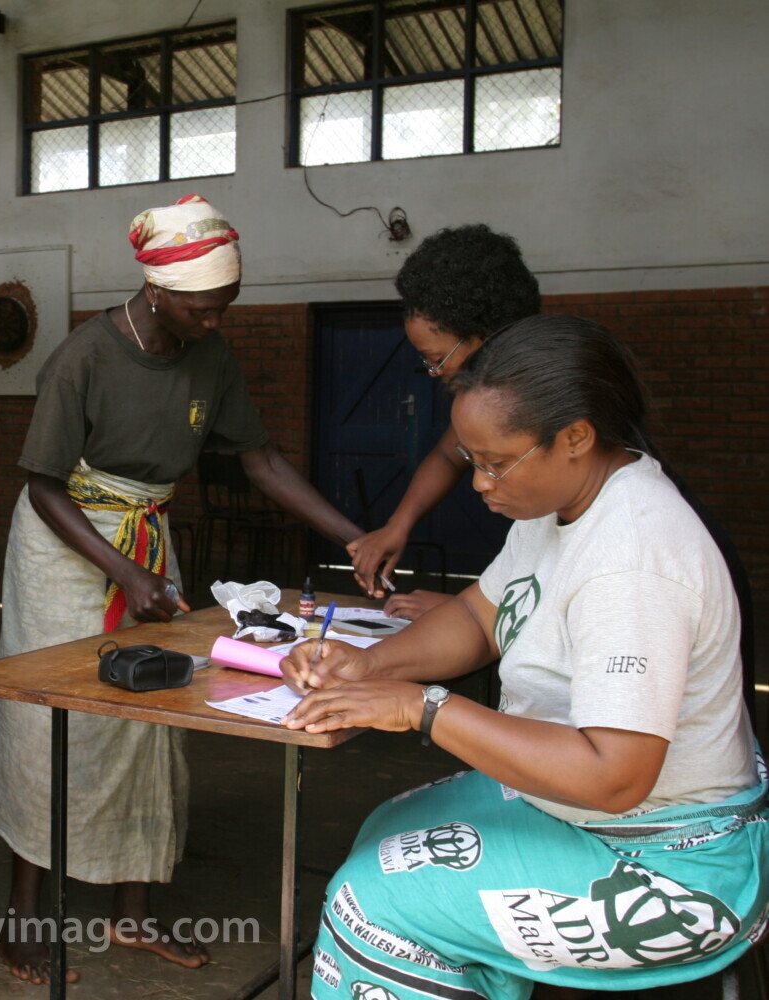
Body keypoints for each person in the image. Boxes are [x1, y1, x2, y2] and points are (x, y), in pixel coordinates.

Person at [282, 314, 768, 1000]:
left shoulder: (632, 556)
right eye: (472, 460)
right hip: (592, 814)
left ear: (576, 437)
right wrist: (370, 665)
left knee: (372, 903)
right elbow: (481, 617)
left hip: (667, 861)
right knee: (390, 830)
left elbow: (615, 775)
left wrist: (422, 709)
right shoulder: (562, 506)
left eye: (495, 461)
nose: (479, 483)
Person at [0, 194, 366, 985]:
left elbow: (260, 460)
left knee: (154, 719)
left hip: (145, 544)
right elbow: (44, 486)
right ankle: (22, 920)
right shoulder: (83, 358)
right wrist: (124, 571)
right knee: (46, 716)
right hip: (68, 546)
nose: (215, 322)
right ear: (157, 291)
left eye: (225, 307)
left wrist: (353, 535)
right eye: (202, 308)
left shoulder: (210, 359)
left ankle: (133, 914)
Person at [346, 224, 541, 620]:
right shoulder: (494, 394)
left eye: (437, 359)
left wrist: (471, 611)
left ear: (482, 337)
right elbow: (449, 454)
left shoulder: (544, 399)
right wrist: (398, 526)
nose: (482, 481)